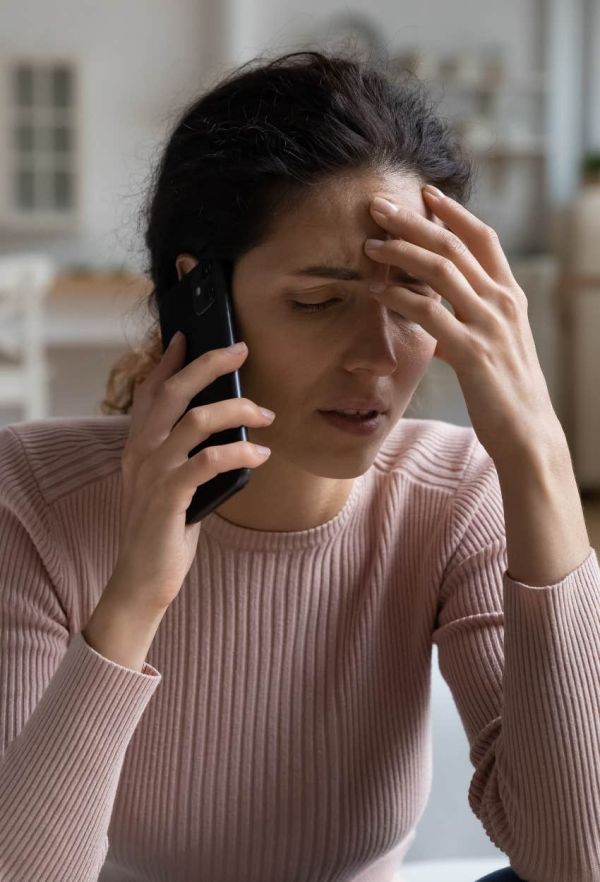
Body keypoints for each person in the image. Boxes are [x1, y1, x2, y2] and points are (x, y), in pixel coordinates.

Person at [0, 48, 598, 882]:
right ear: (198, 296)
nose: (380, 360)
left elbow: (575, 859)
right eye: (320, 302)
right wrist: (134, 592)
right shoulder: (31, 495)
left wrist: (537, 453)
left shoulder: (456, 491)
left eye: (413, 302)